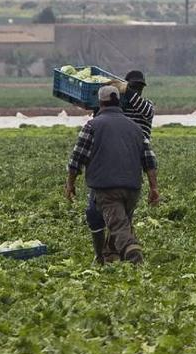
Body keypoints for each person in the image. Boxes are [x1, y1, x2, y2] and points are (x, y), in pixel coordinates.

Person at [65, 85, 159, 265]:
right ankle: (109, 257)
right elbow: (149, 160)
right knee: (120, 222)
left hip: (106, 188)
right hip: (133, 188)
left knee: (118, 226)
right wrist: (154, 187)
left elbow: (77, 157)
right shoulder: (135, 128)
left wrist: (70, 184)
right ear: (119, 101)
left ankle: (133, 253)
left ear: (100, 103)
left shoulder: (92, 125)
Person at [85, 69, 156, 251]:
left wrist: (128, 91)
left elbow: (146, 111)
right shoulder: (120, 108)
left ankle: (121, 250)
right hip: (111, 163)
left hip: (132, 162)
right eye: (134, 87)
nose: (137, 90)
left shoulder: (145, 106)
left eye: (139, 87)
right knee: (107, 214)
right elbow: (102, 118)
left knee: (120, 215)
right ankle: (114, 252)